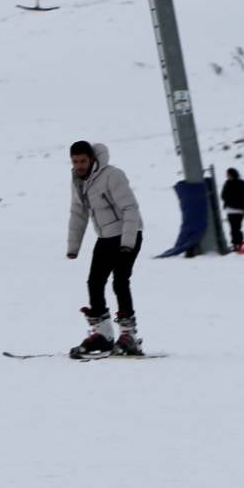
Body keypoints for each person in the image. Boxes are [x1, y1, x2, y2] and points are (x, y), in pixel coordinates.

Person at [66, 141, 145, 357]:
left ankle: (129, 336)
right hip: (106, 237)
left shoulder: (112, 175)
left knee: (120, 281)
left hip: (128, 234)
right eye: (75, 161)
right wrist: (73, 246)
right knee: (94, 282)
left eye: (83, 161)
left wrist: (127, 242)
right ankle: (103, 335)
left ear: (92, 159)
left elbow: (130, 208)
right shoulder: (78, 181)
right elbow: (78, 213)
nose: (79, 165)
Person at [221, 167, 244, 252]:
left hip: (236, 210)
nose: (226, 176)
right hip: (233, 210)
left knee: (235, 228)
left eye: (228, 174)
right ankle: (236, 244)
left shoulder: (235, 184)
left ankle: (238, 244)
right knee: (235, 228)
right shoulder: (231, 184)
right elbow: (223, 195)